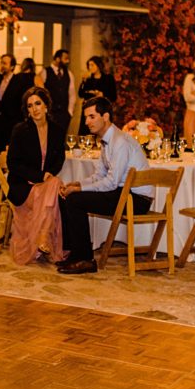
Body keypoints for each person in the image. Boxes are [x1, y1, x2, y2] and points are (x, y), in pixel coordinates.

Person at [56, 96, 153, 275]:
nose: (86, 122)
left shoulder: (120, 142)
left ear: (106, 116)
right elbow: (99, 175)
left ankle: (85, 259)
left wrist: (78, 190)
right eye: (86, 117)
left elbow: (111, 182)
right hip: (122, 192)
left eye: (92, 117)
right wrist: (77, 183)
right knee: (68, 196)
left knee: (75, 200)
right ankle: (75, 254)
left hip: (136, 200)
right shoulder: (106, 141)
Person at [6, 87, 66, 265]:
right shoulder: (20, 130)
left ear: (46, 105)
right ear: (28, 111)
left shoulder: (57, 130)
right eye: (30, 106)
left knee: (54, 184)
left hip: (45, 185)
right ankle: (44, 236)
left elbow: (60, 159)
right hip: (23, 186)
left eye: (38, 103)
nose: (35, 109)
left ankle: (43, 234)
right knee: (55, 186)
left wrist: (47, 176)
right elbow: (13, 163)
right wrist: (39, 176)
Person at [78, 56, 116, 136]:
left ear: (98, 65)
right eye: (88, 65)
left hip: (101, 110)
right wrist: (83, 82)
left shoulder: (108, 78)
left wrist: (102, 94)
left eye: (92, 65)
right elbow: (80, 94)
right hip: (88, 110)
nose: (90, 67)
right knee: (86, 132)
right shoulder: (88, 80)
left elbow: (113, 96)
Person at [39, 49, 75, 128]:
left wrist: (70, 112)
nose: (68, 61)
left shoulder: (69, 73)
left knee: (62, 138)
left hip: (64, 114)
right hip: (50, 112)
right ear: (58, 59)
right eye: (65, 58)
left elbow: (72, 93)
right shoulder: (45, 72)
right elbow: (41, 92)